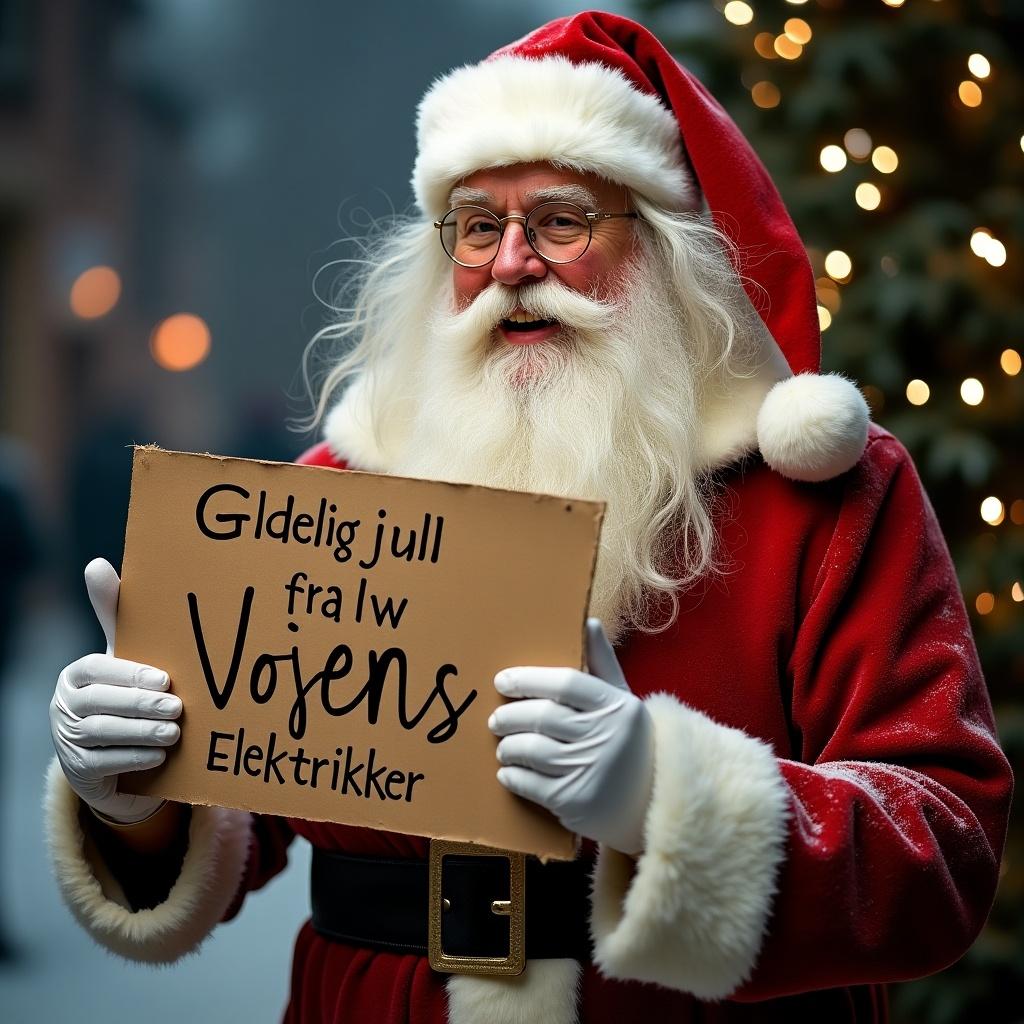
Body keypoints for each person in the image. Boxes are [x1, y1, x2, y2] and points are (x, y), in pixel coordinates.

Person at [45, 12, 1012, 1024]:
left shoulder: (819, 499)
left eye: (559, 221)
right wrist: (135, 796)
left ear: (663, 249)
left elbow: (945, 844)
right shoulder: (345, 486)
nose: (510, 263)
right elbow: (243, 818)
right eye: (474, 225)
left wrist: (664, 797)